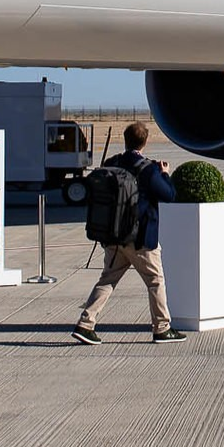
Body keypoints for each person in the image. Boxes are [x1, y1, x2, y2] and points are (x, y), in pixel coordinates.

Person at [71, 122, 186, 344]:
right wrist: (165, 174)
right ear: (145, 142)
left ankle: (85, 324)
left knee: (107, 280)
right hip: (140, 238)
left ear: (125, 140)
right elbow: (169, 195)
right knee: (155, 281)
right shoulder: (148, 169)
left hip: (113, 235)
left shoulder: (112, 163)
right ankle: (162, 328)